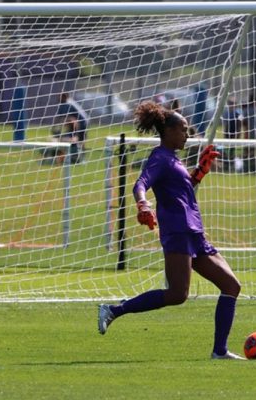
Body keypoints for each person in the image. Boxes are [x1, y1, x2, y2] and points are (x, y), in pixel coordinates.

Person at [97, 101, 244, 360]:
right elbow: (140, 184)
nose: (188, 134)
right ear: (168, 132)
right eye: (184, 129)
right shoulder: (159, 158)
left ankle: (220, 351)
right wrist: (143, 204)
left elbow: (183, 188)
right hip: (178, 231)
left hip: (194, 232)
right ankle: (112, 310)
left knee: (231, 285)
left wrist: (199, 172)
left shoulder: (173, 160)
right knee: (178, 294)